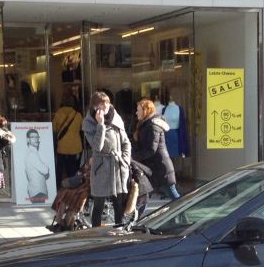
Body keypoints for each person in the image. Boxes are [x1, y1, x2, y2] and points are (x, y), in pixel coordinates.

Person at [83, 90, 131, 227]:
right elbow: (97, 147)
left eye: (107, 105)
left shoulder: (117, 119)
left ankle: (119, 233)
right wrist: (101, 125)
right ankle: (96, 234)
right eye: (101, 106)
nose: (105, 109)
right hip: (101, 167)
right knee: (99, 204)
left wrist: (125, 161)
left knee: (119, 204)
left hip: (117, 166)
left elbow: (126, 142)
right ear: (94, 107)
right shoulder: (89, 124)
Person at [133, 97, 180, 204]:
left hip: (162, 168)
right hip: (154, 168)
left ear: (145, 111)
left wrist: (134, 157)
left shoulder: (153, 125)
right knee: (146, 194)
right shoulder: (144, 125)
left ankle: (184, 216)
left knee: (174, 197)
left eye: (138, 110)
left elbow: (151, 150)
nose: (136, 113)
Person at [53, 95, 84, 186]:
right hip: (74, 146)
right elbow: (82, 128)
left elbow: (54, 128)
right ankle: (72, 188)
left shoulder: (58, 113)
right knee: (72, 168)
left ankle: (58, 187)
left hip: (62, 146)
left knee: (60, 168)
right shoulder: (78, 115)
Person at [23, 128, 51, 204]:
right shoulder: (32, 154)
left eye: (37, 137)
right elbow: (45, 171)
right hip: (37, 191)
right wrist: (46, 167)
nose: (36, 139)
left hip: (38, 190)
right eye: (33, 137)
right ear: (28, 140)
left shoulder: (34, 153)